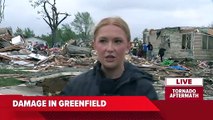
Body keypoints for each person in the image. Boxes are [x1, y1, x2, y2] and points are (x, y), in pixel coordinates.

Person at [60, 16, 158, 100]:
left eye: (117, 41)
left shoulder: (143, 90)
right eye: (103, 41)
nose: (110, 49)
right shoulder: (76, 88)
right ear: (94, 45)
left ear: (128, 46)